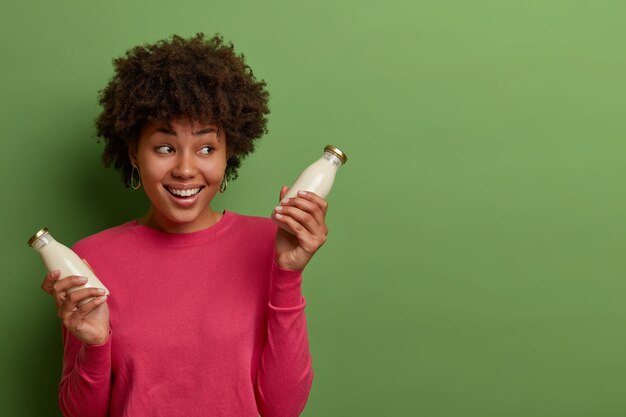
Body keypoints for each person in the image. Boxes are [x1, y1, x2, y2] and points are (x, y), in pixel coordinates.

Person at [40, 33, 327, 417]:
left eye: (207, 148)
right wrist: (94, 344)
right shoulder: (90, 259)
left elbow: (282, 408)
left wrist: (288, 274)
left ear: (229, 154)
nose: (186, 169)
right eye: (165, 147)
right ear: (134, 155)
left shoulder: (270, 245)